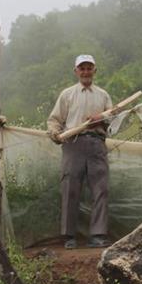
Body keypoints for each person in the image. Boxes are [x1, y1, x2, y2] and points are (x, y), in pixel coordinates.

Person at [47, 54, 113, 249]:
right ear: (76, 71)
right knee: (70, 189)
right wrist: (55, 133)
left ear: (95, 70)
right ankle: (69, 236)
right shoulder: (67, 95)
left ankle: (98, 235)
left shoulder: (103, 95)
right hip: (72, 144)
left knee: (100, 189)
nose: (85, 72)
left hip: (96, 144)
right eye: (82, 68)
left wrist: (99, 119)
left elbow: (113, 121)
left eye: (89, 68)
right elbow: (54, 120)